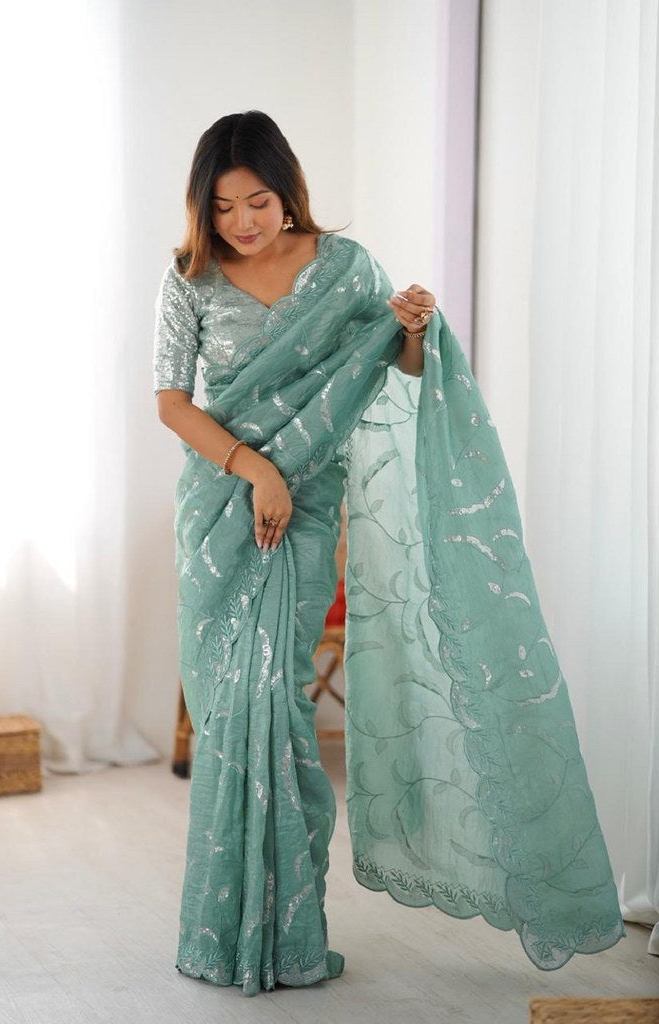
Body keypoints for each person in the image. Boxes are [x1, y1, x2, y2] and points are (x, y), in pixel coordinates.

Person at [153, 111, 625, 998]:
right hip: (222, 507)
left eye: (257, 201)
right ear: (202, 208)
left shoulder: (345, 269)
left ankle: (288, 936)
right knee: (229, 712)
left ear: (288, 192)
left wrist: (411, 328)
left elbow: (394, 370)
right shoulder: (189, 280)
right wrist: (255, 468)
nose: (242, 222)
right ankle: (221, 934)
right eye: (222, 207)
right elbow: (173, 404)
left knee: (277, 705)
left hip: (302, 513)